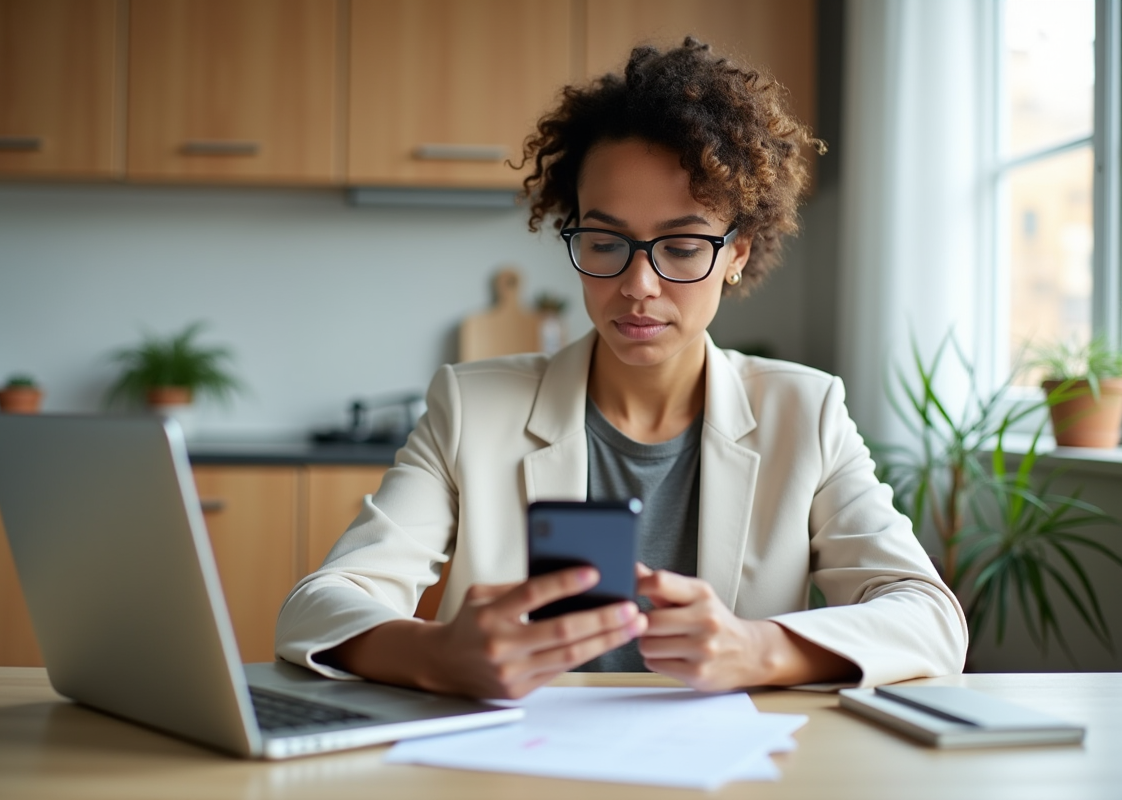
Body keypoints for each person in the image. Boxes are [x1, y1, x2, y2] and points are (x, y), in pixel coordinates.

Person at [277, 39, 967, 699]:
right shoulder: (472, 407)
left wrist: (756, 648)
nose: (638, 283)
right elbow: (317, 608)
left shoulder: (805, 413)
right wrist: (439, 654)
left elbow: (930, 621)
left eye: (685, 243)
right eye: (605, 241)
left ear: (736, 253)